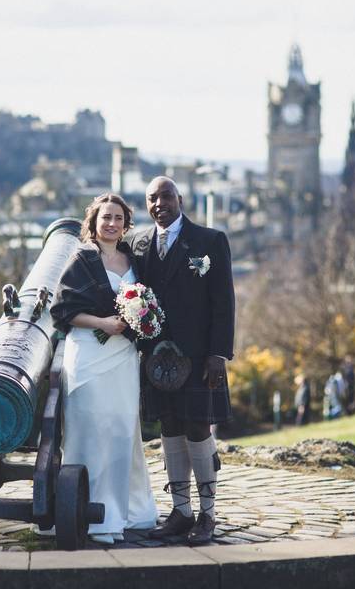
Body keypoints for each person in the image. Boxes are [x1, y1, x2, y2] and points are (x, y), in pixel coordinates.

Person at [127, 176, 235, 546]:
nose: (160, 204)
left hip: (198, 356)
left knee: (198, 429)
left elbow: (224, 301)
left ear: (180, 199)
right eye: (152, 199)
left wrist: (218, 353)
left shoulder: (209, 241)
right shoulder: (138, 244)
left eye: (166, 196)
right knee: (169, 428)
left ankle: (207, 515)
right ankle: (180, 511)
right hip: (155, 358)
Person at [51, 193, 158, 544]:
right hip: (88, 354)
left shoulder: (133, 259)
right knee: (89, 430)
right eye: (105, 218)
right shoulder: (82, 258)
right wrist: (102, 321)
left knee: (121, 430)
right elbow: (62, 311)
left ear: (126, 223)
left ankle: (121, 511)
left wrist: (143, 322)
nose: (111, 224)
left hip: (124, 357)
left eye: (117, 218)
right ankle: (82, 509)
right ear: (93, 223)